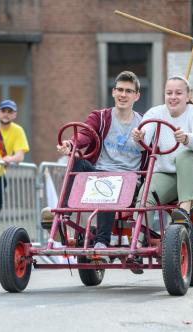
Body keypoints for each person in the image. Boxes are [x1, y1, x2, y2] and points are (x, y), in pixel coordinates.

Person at [55, 71, 145, 249]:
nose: (123, 95)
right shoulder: (101, 117)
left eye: (128, 91)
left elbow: (152, 148)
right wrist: (71, 144)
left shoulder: (143, 123)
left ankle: (102, 241)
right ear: (113, 92)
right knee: (77, 163)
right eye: (119, 90)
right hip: (100, 172)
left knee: (110, 181)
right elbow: (86, 134)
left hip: (129, 179)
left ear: (136, 96)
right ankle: (62, 217)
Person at [132, 76, 193, 228]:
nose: (173, 97)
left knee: (185, 154)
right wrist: (139, 137)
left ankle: (184, 209)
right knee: (145, 196)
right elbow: (142, 146)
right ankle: (139, 242)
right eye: (169, 93)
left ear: (187, 96)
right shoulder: (155, 112)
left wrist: (186, 138)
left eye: (178, 93)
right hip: (168, 175)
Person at [0, 99, 30, 246]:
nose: (6, 114)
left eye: (9, 112)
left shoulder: (17, 130)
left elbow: (20, 156)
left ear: (15, 115)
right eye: (3, 111)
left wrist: (9, 158)